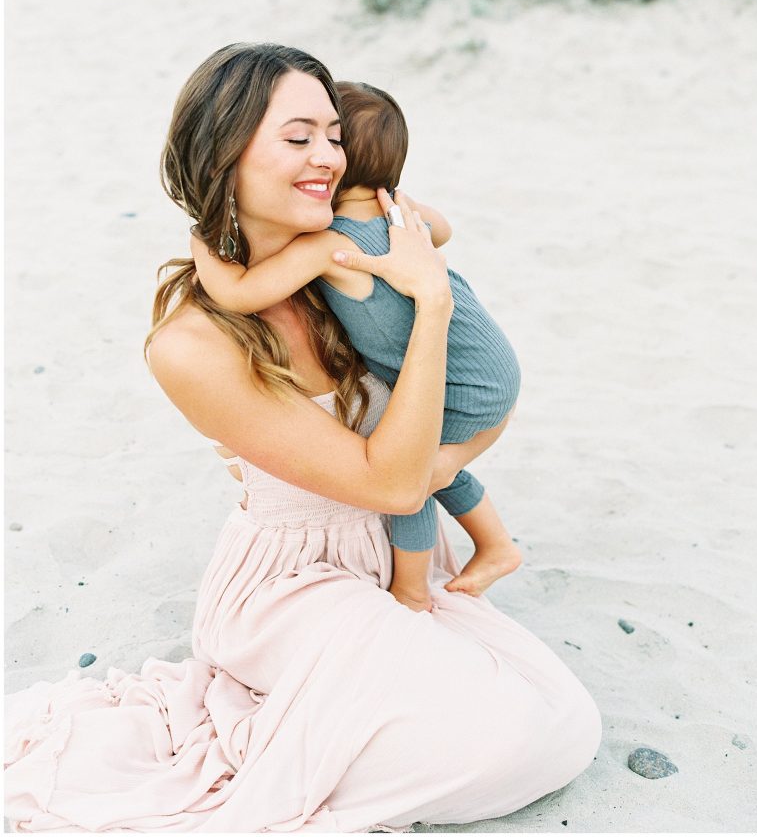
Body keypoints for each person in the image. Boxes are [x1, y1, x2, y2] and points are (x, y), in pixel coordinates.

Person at [4, 42, 602, 833]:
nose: (327, 156)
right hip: (289, 588)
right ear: (227, 154)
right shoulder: (193, 343)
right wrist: (431, 305)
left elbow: (472, 417)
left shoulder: (340, 273)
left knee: (556, 714)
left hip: (386, 553)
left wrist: (424, 328)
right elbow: (394, 482)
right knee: (510, 738)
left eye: (333, 134)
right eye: (297, 138)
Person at [189, 79, 522, 614]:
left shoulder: (329, 244)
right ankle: (497, 545)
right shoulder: (401, 218)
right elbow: (445, 228)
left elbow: (238, 293)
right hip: (489, 361)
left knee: (414, 478)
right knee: (439, 464)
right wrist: (398, 205)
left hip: (463, 378)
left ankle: (412, 589)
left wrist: (201, 238)